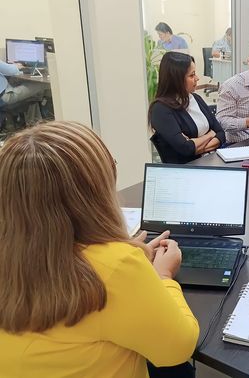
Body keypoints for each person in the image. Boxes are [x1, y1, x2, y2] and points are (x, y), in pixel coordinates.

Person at [0, 121, 199, 377]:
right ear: (93, 190)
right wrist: (163, 275)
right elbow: (178, 348)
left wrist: (127, 255)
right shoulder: (115, 266)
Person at [149, 52, 225, 164]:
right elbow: (186, 148)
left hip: (210, 162)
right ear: (176, 79)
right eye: (191, 75)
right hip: (185, 170)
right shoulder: (160, 109)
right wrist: (210, 134)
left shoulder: (195, 98)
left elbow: (221, 134)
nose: (197, 78)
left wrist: (195, 144)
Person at [0, 60, 49, 127]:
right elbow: (10, 71)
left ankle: (32, 123)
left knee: (33, 93)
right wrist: (17, 66)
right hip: (4, 97)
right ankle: (36, 124)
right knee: (42, 84)